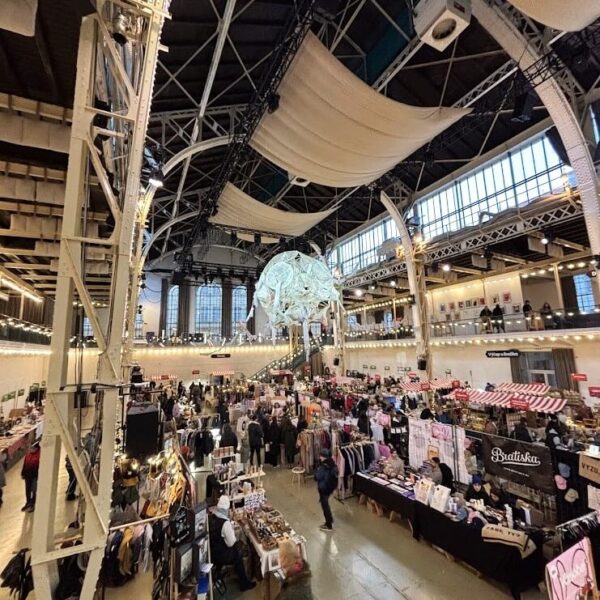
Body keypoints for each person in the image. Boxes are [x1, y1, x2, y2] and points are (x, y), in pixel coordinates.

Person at [209, 495, 256, 592]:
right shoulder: (225, 523)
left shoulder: (212, 517)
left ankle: (220, 569)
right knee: (237, 554)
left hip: (212, 552)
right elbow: (231, 543)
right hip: (221, 555)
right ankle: (244, 583)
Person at [315, 449, 337, 531]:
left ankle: (328, 525)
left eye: (320, 456)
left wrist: (316, 472)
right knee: (326, 504)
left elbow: (317, 477)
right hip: (330, 488)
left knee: (325, 506)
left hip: (324, 488)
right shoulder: (332, 463)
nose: (319, 458)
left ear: (323, 456)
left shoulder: (323, 466)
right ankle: (330, 519)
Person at [21, 441, 41, 512]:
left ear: (36, 448)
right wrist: (23, 473)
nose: (31, 449)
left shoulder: (39, 455)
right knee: (28, 490)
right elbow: (25, 464)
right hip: (27, 476)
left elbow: (39, 466)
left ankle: (33, 503)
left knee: (34, 490)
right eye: (30, 448)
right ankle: (28, 502)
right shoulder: (28, 454)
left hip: (34, 476)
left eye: (32, 448)